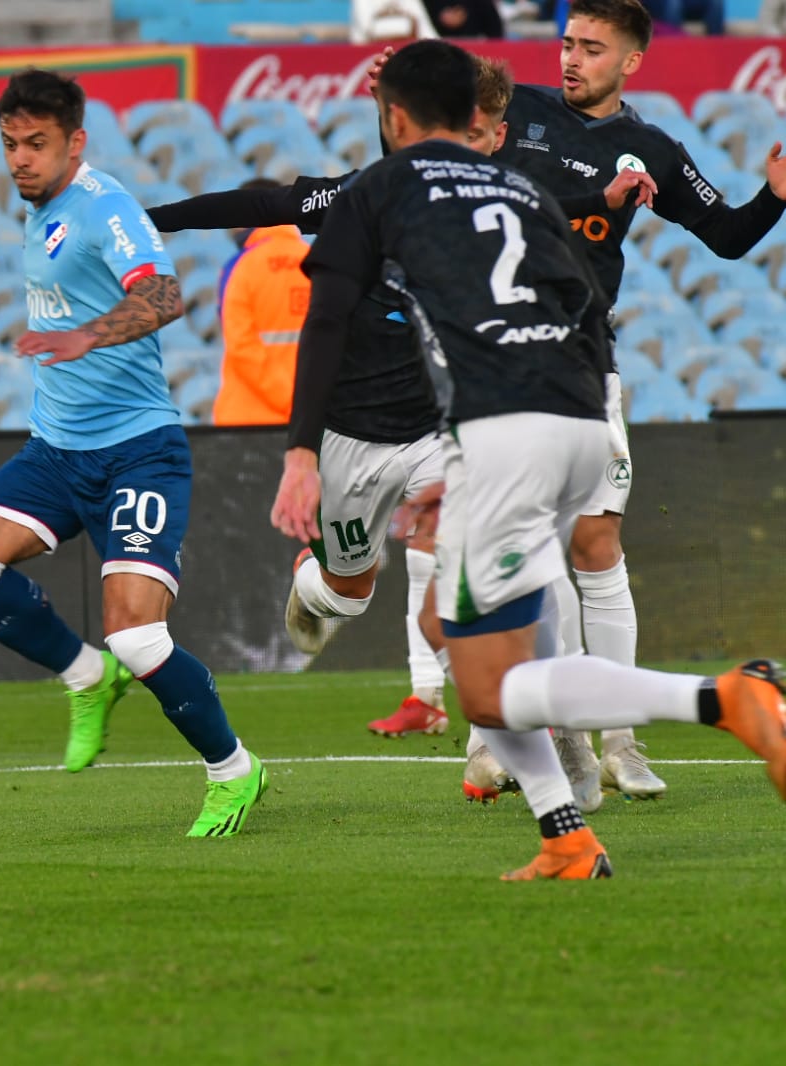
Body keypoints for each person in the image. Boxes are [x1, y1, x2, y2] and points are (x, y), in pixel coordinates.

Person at [272, 38, 786, 880]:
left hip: (507, 432)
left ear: (392, 117)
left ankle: (727, 697)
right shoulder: (521, 189)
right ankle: (566, 836)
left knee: (486, 682)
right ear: (481, 119)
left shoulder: (383, 186)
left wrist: (301, 452)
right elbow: (581, 300)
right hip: (577, 414)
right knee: (467, 629)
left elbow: (326, 319)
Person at [149, 59, 652, 751]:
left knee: (481, 566)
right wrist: (152, 221)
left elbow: (544, 212)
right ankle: (319, 588)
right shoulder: (362, 198)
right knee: (346, 592)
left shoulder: (487, 204)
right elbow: (264, 209)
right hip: (352, 435)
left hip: (437, 430)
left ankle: (504, 743)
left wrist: (601, 200)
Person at [427, 0, 784, 806]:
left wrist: (773, 198)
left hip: (585, 364)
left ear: (630, 62)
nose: (570, 59)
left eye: (591, 48)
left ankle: (619, 741)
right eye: (566, 42)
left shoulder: (651, 149)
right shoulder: (512, 110)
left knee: (595, 542)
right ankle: (513, 736)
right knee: (518, 547)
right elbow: (436, 161)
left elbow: (726, 237)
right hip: (490, 362)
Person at [0, 68, 269, 837]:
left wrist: (89, 334)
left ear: (75, 142)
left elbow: (163, 294)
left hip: (137, 453)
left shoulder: (103, 206)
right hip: (56, 452)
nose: (19, 159)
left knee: (137, 635)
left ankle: (233, 770)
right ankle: (87, 676)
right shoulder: (40, 209)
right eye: (9, 143)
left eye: (36, 144)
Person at [205, 178, 310, 427]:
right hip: (312, 418)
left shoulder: (239, 267)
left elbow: (241, 345)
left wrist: (286, 399)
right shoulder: (323, 261)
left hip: (249, 419)